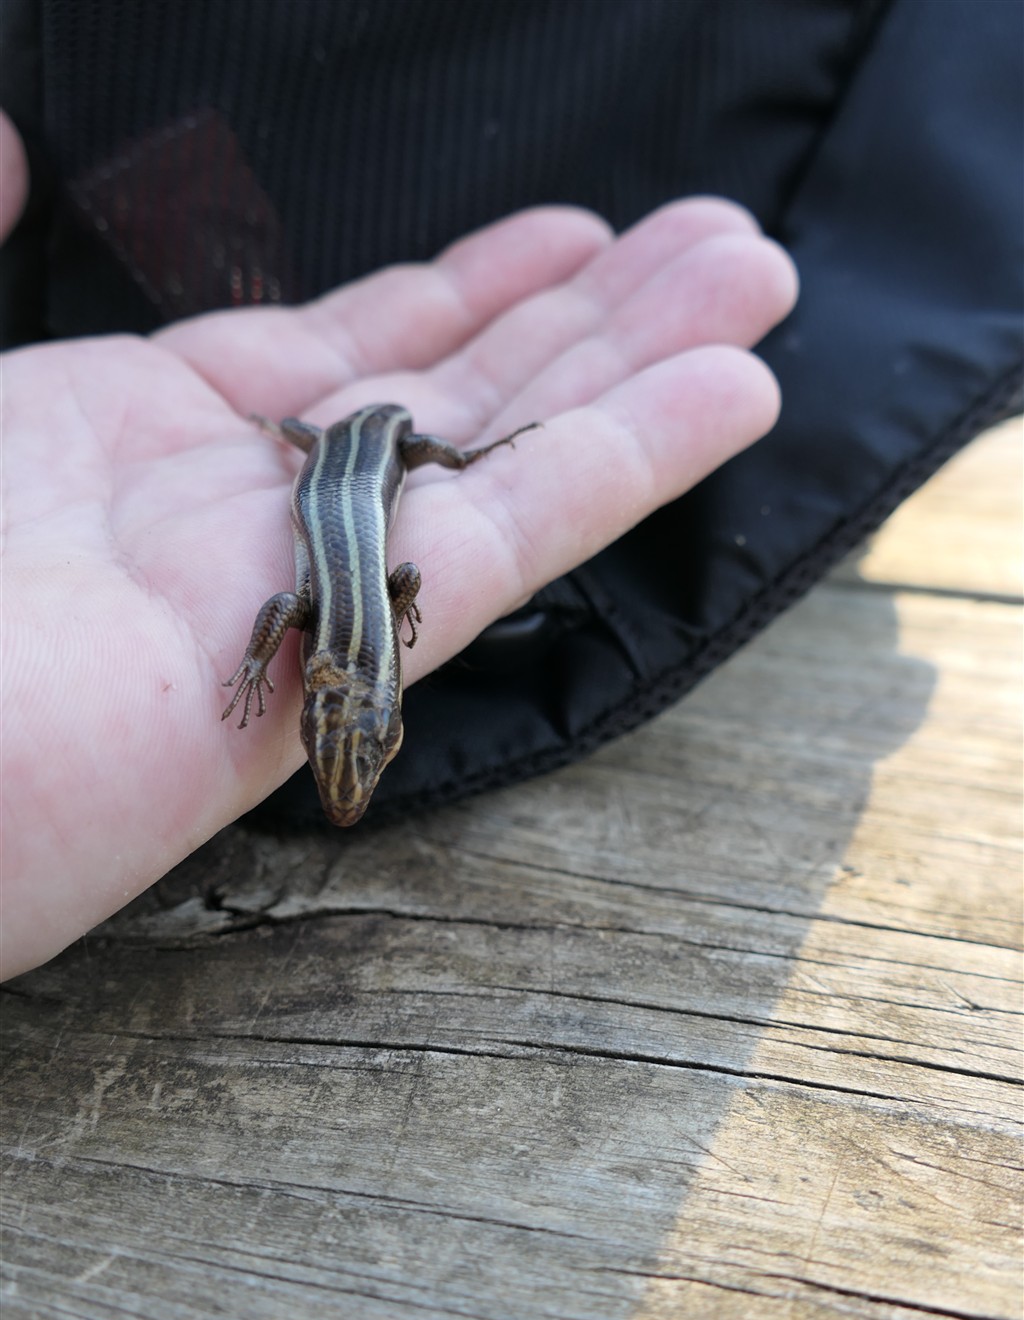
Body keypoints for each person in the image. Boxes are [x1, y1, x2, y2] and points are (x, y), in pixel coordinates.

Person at [0, 107, 797, 980]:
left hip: (387, 443)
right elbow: (358, 586)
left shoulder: (346, 605)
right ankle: (297, 432)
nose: (338, 762)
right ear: (368, 705)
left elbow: (348, 588)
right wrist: (256, 661)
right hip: (334, 453)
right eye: (341, 744)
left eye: (337, 743)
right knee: (301, 437)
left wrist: (277, 652)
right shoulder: (351, 620)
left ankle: (453, 452)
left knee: (410, 453)